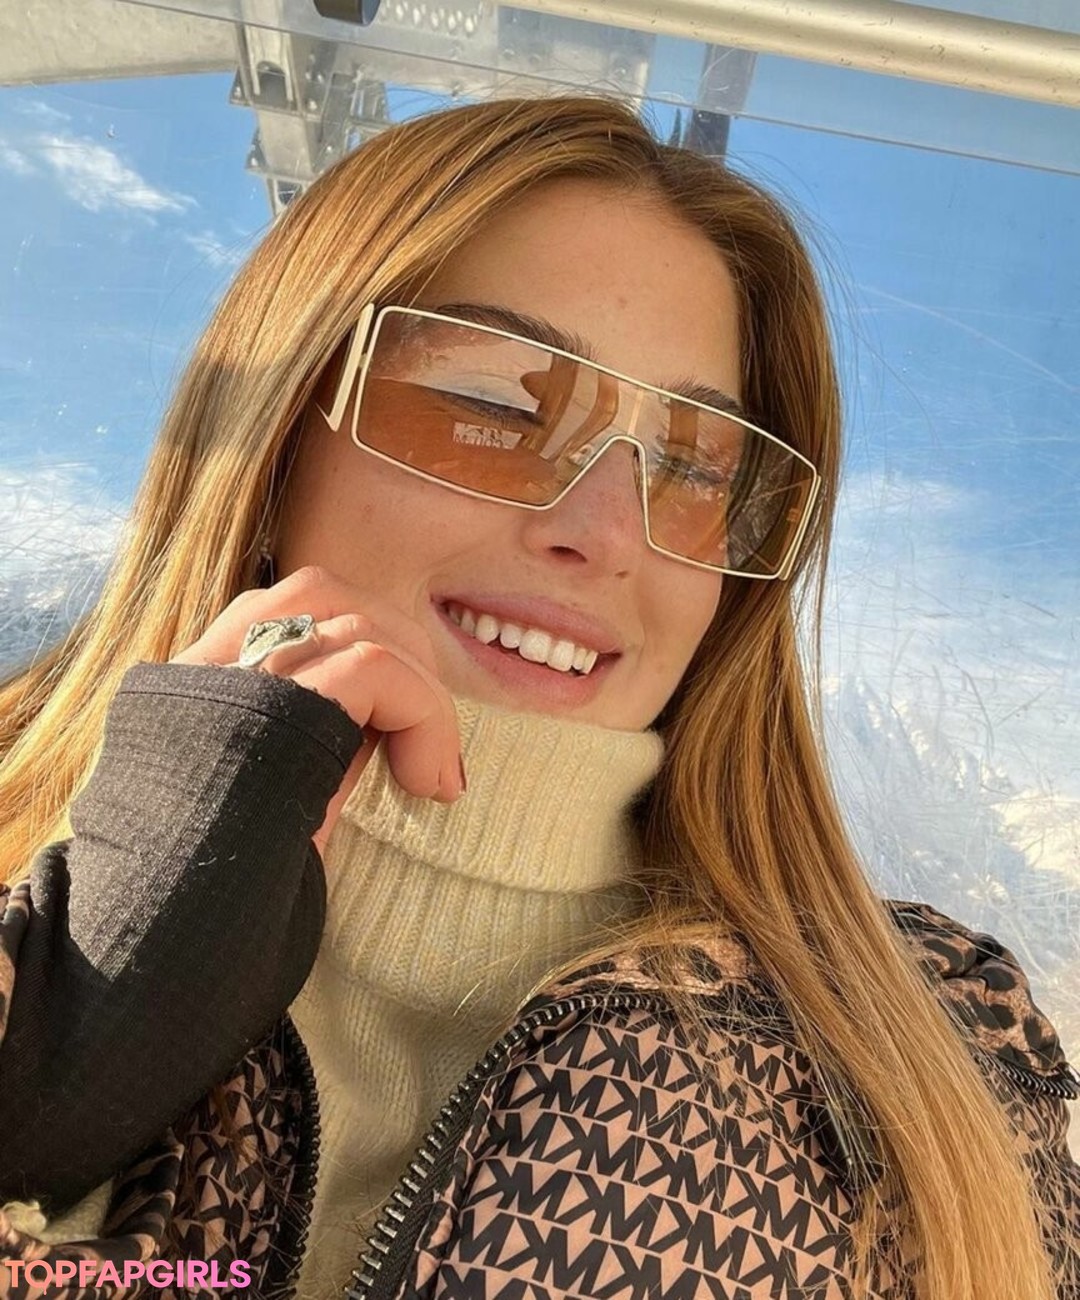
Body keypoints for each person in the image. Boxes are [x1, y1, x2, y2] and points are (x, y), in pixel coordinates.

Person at [0, 94, 1076, 1300]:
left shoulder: (940, 1051)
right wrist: (81, 1014)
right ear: (280, 423)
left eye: (693, 467)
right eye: (496, 405)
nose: (605, 531)